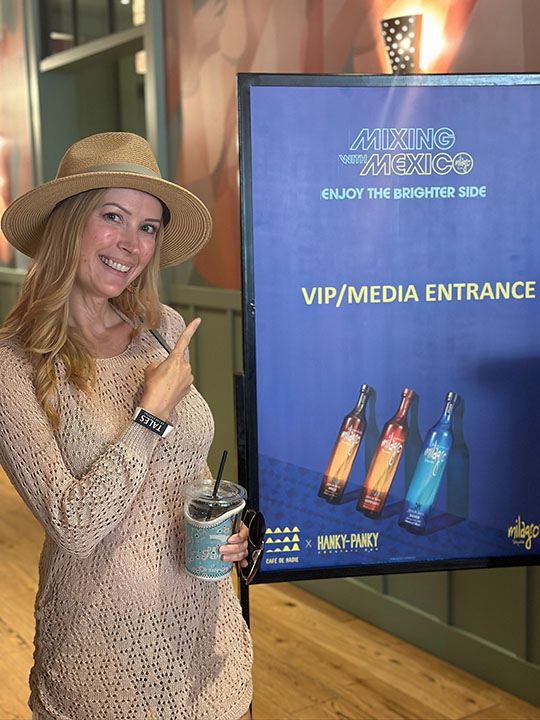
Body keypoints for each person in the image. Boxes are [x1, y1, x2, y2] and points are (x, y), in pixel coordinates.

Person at [0, 132, 253, 720]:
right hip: (100, 665)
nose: (131, 244)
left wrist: (224, 528)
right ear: (68, 224)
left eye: (148, 227)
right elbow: (74, 527)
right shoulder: (15, 363)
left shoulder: (161, 329)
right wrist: (148, 418)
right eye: (112, 217)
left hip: (209, 645)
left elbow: (186, 470)